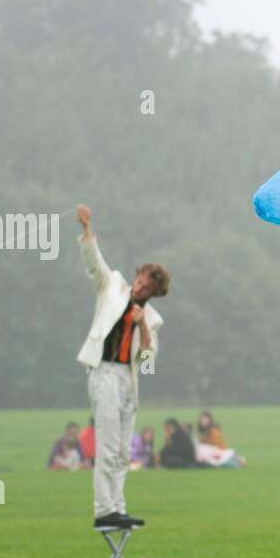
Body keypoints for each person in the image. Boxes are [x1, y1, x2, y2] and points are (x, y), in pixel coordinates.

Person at [75, 204, 169, 529]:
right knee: (109, 443)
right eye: (141, 281)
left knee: (123, 450)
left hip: (128, 381)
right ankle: (104, 509)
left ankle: (118, 506)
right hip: (103, 371)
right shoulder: (112, 287)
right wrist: (87, 229)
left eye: (148, 288)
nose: (141, 288)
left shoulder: (153, 320)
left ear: (155, 293)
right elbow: (95, 265)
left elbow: (147, 363)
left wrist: (142, 327)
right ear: (137, 275)